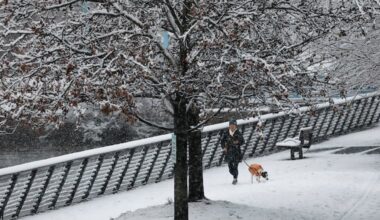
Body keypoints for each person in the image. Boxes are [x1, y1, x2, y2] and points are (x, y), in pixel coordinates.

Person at [221, 118, 245, 185]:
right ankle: (234, 174)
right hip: (228, 152)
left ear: (236, 126)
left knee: (235, 166)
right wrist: (224, 148)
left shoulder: (238, 133)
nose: (232, 126)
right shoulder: (226, 133)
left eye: (233, 125)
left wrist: (237, 142)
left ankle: (235, 178)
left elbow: (242, 141)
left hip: (236, 152)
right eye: (230, 125)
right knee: (230, 168)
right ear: (229, 126)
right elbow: (222, 141)